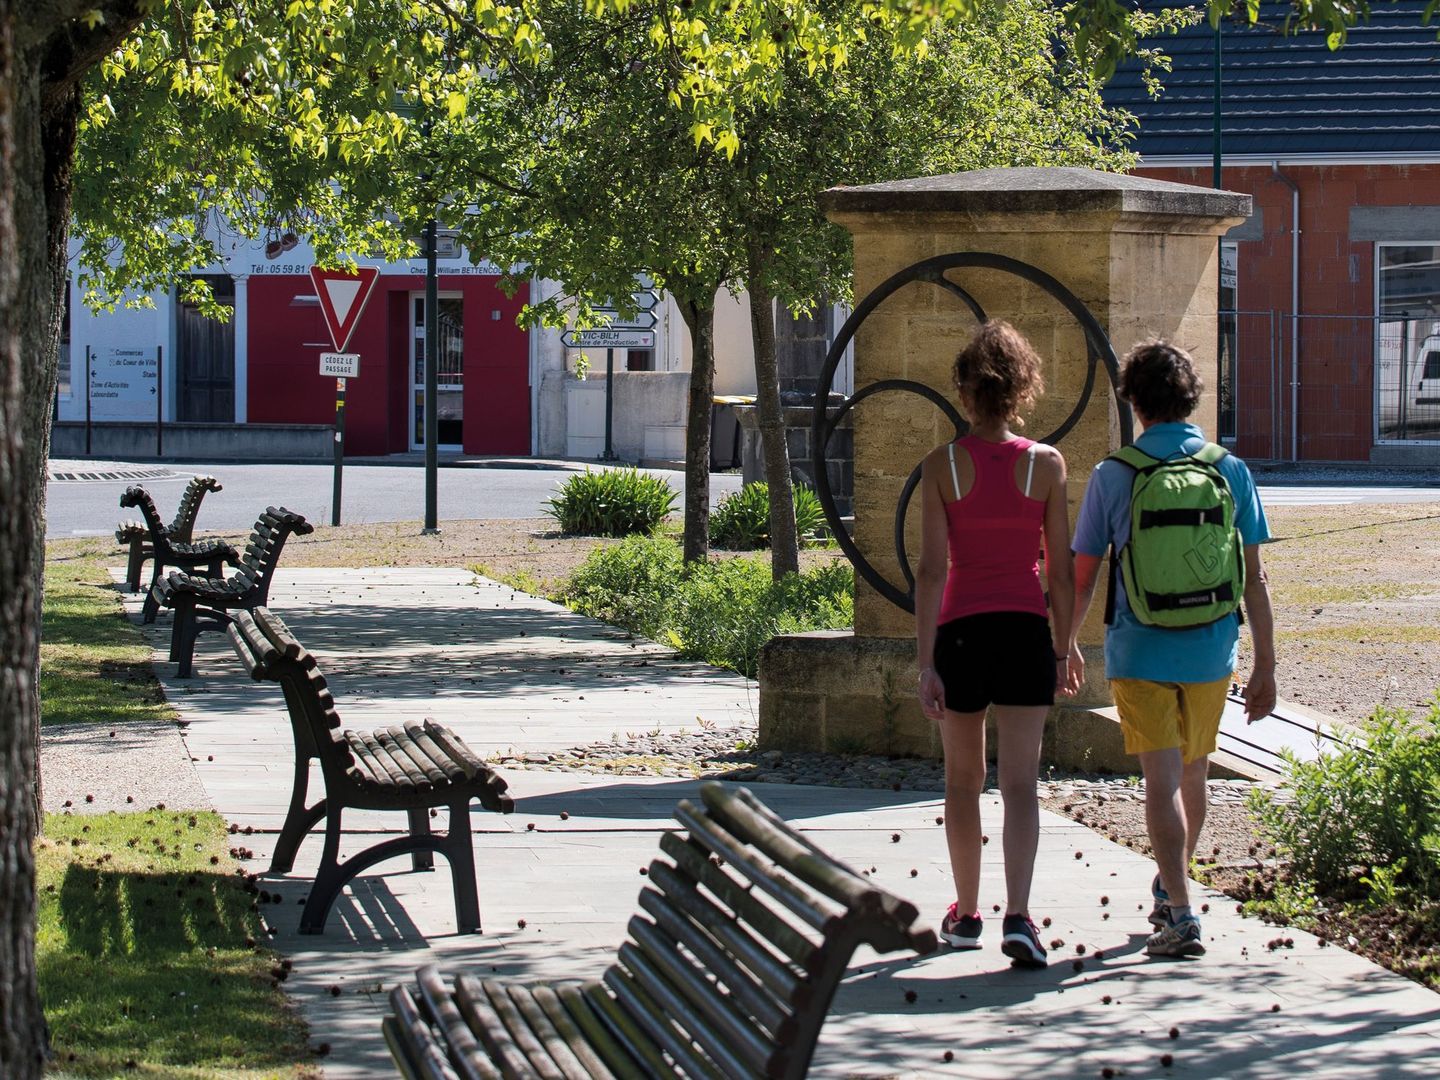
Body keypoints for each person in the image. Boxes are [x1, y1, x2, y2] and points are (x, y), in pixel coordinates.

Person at [1070, 338, 1276, 959]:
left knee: (1158, 783)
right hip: (1213, 647)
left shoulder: (1114, 474)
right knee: (1192, 776)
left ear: (1134, 402)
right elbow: (1255, 576)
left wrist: (1063, 647)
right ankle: (1172, 887)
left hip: (1140, 649)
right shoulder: (1228, 469)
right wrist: (1266, 665)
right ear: (1191, 398)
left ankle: (1181, 913)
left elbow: (1083, 576)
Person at [915, 319, 1081, 969]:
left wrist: (924, 660)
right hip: (1024, 631)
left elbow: (931, 570)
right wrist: (1065, 649)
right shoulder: (1046, 464)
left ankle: (965, 916)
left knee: (962, 781)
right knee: (1020, 784)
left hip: (960, 633)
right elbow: (1061, 569)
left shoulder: (941, 466)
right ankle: (1019, 917)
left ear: (964, 392)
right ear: (1023, 389)